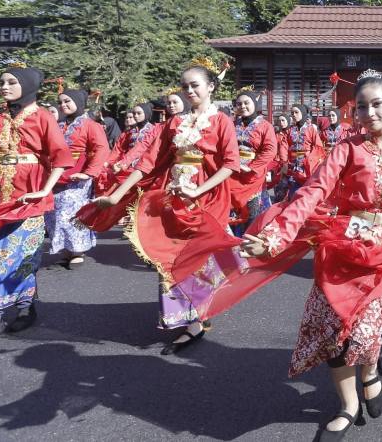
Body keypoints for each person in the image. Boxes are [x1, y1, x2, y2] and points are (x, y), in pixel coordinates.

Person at [233, 69, 382, 440]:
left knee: (366, 331)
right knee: (335, 330)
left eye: (377, 104)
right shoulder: (347, 148)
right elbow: (312, 191)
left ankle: (371, 370)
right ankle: (347, 405)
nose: (369, 113)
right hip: (341, 246)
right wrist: (277, 235)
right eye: (361, 107)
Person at [88, 59, 240, 355]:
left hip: (206, 196)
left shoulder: (221, 121)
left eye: (195, 85)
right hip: (174, 196)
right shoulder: (172, 124)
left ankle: (199, 313)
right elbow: (148, 163)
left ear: (210, 87)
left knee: (202, 256)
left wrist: (198, 189)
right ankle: (188, 319)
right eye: (185, 86)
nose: (189, 90)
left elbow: (230, 164)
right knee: (169, 256)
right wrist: (117, 195)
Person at [0, 66, 72, 343]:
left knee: (22, 257)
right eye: (1, 82)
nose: (4, 86)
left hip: (28, 197)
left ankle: (26, 309)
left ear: (26, 85)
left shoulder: (43, 118)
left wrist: (44, 191)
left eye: (12, 82)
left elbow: (61, 158)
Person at [45, 89, 109, 268]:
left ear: (79, 102)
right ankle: (66, 249)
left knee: (72, 213)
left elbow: (101, 149)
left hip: (78, 176)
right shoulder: (57, 125)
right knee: (54, 214)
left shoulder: (90, 125)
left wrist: (88, 173)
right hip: (57, 174)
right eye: (61, 102)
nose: (63, 105)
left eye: (67, 101)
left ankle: (78, 250)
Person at [228, 90, 278, 238]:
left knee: (252, 211)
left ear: (254, 105)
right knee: (233, 210)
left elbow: (270, 150)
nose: (242, 106)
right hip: (233, 173)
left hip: (252, 175)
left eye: (246, 103)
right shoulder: (231, 123)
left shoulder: (265, 126)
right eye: (239, 104)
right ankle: (233, 244)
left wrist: (251, 167)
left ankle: (250, 242)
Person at [285, 104, 324, 197]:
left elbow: (318, 147)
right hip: (292, 167)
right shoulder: (290, 130)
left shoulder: (311, 129)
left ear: (302, 113)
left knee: (306, 194)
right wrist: (285, 162)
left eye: (296, 112)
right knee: (291, 195)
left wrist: (310, 161)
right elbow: (285, 145)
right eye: (292, 113)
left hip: (306, 167)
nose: (293, 114)